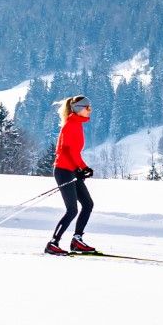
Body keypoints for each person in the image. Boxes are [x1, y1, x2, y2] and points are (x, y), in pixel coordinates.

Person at [46, 94, 99, 255]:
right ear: (78, 109)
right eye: (87, 107)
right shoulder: (70, 125)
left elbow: (74, 152)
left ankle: (77, 240)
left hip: (71, 170)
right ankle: (53, 243)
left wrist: (83, 168)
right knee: (72, 210)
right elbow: (67, 151)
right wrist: (80, 168)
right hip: (63, 171)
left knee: (88, 204)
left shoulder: (77, 124)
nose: (90, 110)